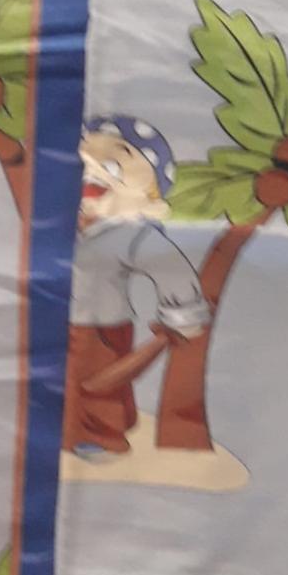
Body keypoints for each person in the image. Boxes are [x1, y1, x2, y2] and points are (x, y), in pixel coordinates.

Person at [64, 116, 209, 458]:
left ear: (150, 191)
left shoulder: (130, 234)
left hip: (101, 327)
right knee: (62, 381)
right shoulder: (62, 226)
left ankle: (100, 436)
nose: (96, 169)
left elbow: (170, 266)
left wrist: (182, 310)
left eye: (116, 160)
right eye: (86, 158)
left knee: (98, 384)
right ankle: (67, 430)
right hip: (59, 320)